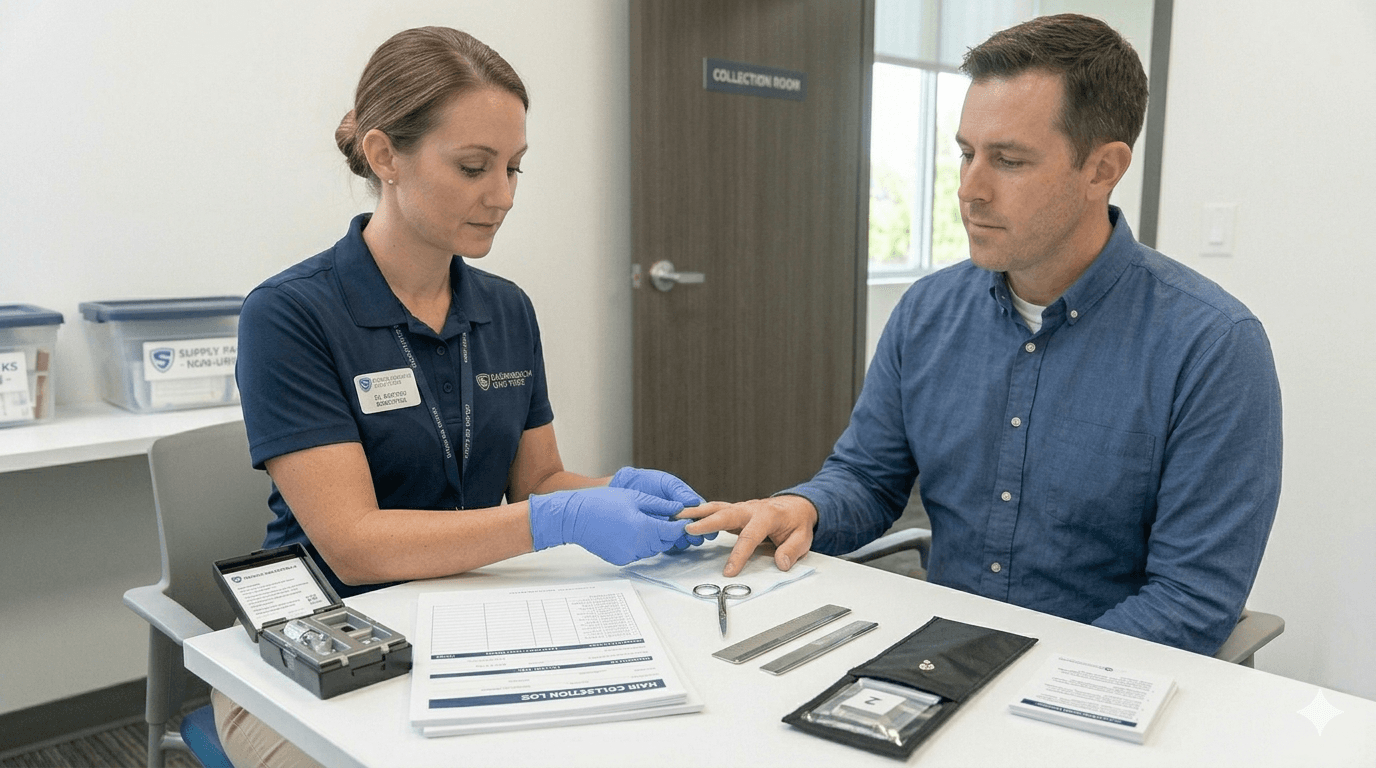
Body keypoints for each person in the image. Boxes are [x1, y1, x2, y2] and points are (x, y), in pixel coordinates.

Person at [684, 13, 1282, 657]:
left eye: (1010, 161)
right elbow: (867, 477)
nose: (970, 189)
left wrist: (1016, 678)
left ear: (1103, 169)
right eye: (967, 153)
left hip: (1097, 683)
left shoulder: (1214, 348)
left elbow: (1190, 600)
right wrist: (804, 508)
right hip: (940, 659)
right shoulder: (928, 311)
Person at [215, 26, 708, 768]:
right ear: (385, 157)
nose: (503, 196)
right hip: (330, 639)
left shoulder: (506, 309)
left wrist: (619, 492)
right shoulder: (290, 314)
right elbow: (352, 540)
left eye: (514, 168)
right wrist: (555, 520)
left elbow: (537, 480)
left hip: (478, 608)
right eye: (475, 167)